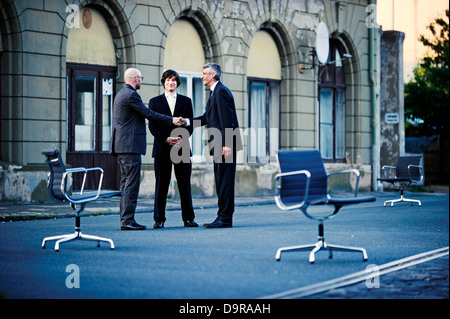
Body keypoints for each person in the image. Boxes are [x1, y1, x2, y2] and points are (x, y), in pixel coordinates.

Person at [111, 68, 183, 230]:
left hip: (123, 145)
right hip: (129, 146)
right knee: (131, 183)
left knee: (125, 182)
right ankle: (128, 220)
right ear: (136, 79)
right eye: (141, 78)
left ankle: (126, 219)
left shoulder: (121, 93)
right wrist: (172, 119)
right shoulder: (131, 95)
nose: (141, 81)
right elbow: (149, 113)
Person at [188, 63, 243, 228]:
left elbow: (228, 120)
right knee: (221, 181)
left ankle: (225, 218)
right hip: (220, 144)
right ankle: (223, 216)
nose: (202, 76)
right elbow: (207, 117)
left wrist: (227, 145)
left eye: (204, 73)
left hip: (225, 145)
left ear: (212, 75)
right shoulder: (214, 93)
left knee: (225, 182)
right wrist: (187, 122)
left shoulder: (220, 92)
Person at [148, 69, 197, 229]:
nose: (171, 83)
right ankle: (159, 219)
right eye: (168, 80)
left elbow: (190, 125)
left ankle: (188, 219)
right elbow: (152, 126)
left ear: (177, 83)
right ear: (164, 82)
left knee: (184, 185)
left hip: (181, 148)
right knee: (161, 185)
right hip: (162, 148)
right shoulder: (154, 102)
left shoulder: (186, 101)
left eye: (174, 80)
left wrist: (181, 138)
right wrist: (165, 139)